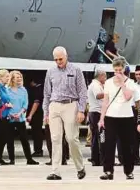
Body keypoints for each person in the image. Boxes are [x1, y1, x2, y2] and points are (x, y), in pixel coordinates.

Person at [43, 46, 87, 181]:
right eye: (55, 59)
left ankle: (80, 167)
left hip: (70, 104)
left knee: (72, 138)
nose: (58, 62)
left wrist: (81, 110)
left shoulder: (76, 70)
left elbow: (82, 92)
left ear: (66, 56)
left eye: (60, 59)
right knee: (55, 138)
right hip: (54, 105)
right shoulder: (50, 71)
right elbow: (46, 93)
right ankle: (55, 171)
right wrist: (46, 113)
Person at [98, 57, 138, 180]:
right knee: (109, 144)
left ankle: (128, 171)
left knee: (126, 145)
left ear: (124, 69)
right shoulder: (109, 82)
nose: (118, 72)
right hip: (111, 116)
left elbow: (127, 97)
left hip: (126, 117)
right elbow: (105, 101)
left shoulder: (130, 82)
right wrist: (102, 118)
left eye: (120, 70)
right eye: (116, 70)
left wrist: (122, 83)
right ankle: (108, 170)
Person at [6, 70, 39, 165]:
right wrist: (11, 114)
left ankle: (29, 159)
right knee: (10, 140)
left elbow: (25, 104)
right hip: (10, 117)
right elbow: (5, 103)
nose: (19, 78)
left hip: (20, 117)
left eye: (20, 77)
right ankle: (11, 160)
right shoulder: (7, 90)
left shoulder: (23, 90)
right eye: (17, 77)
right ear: (12, 79)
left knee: (24, 139)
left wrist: (19, 114)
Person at [0, 69, 14, 165]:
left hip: (6, 115)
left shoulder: (4, 88)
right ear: (1, 77)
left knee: (3, 138)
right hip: (0, 115)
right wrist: (6, 105)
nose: (8, 78)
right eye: (6, 76)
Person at [87, 69, 106, 166]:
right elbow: (98, 96)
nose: (105, 78)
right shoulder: (95, 85)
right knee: (100, 136)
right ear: (100, 76)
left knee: (96, 136)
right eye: (105, 76)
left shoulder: (97, 85)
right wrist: (109, 93)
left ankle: (96, 159)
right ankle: (99, 159)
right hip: (96, 113)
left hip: (96, 112)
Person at [27, 78, 44, 157]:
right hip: (36, 112)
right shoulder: (39, 88)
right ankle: (38, 150)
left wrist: (30, 114)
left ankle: (38, 150)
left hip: (36, 113)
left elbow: (36, 102)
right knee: (36, 132)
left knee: (37, 132)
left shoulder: (37, 89)